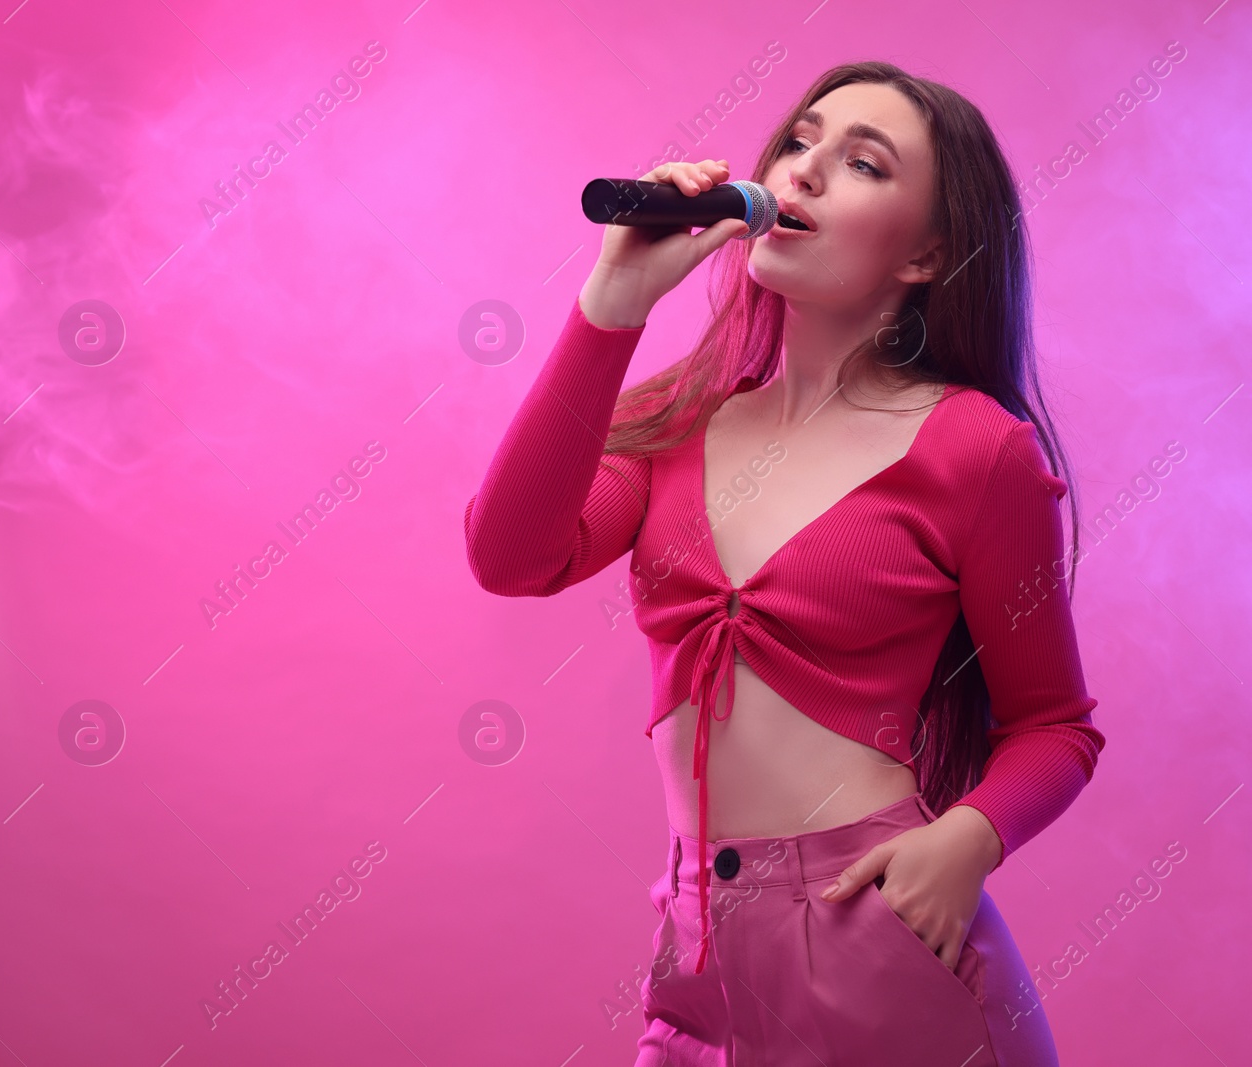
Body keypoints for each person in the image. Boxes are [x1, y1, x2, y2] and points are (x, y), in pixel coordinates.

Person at [465, 59, 1106, 1066]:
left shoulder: (973, 449)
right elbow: (509, 553)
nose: (801, 171)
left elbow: (1053, 726)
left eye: (860, 162)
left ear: (927, 253)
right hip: (697, 955)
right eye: (798, 142)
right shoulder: (676, 420)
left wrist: (965, 838)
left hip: (879, 946)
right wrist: (612, 301)